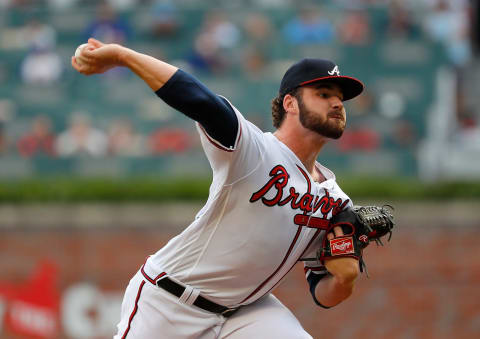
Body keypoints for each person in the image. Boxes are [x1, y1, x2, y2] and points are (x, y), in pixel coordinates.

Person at [72, 38, 365, 339]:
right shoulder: (254, 149)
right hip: (171, 301)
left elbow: (323, 293)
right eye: (323, 93)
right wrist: (123, 55)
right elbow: (198, 99)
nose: (337, 103)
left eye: (341, 98)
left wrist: (344, 280)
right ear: (290, 103)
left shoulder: (336, 202)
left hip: (247, 313)